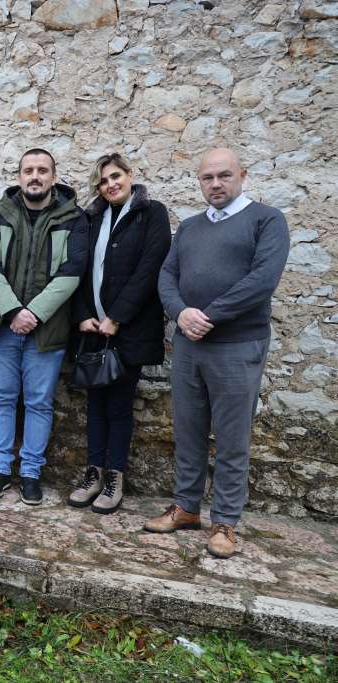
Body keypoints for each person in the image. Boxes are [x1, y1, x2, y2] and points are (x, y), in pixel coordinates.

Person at [144, 148, 289, 559]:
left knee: (231, 438)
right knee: (187, 431)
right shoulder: (190, 228)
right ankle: (186, 508)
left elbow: (263, 280)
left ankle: (225, 521)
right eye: (208, 178)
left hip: (237, 345)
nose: (216, 184)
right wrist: (179, 312)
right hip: (190, 346)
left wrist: (207, 314)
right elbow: (167, 276)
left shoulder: (267, 220)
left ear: (242, 175)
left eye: (224, 176)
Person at [0, 149, 88, 504]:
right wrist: (12, 311)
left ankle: (30, 474)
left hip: (47, 330)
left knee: (40, 402)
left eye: (42, 170)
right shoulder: (0, 214)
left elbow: (72, 272)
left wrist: (34, 314)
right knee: (1, 398)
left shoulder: (73, 218)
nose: (35, 176)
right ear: (20, 176)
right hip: (1, 326)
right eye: (29, 170)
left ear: (53, 177)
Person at [68, 153, 171, 514]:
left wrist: (117, 317)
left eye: (115, 176)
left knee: (119, 406)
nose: (110, 184)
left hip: (128, 331)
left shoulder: (151, 213)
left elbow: (149, 269)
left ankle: (114, 477)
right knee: (95, 405)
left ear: (130, 176)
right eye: (103, 181)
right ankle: (92, 472)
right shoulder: (92, 217)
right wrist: (82, 315)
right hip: (94, 330)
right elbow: (78, 269)